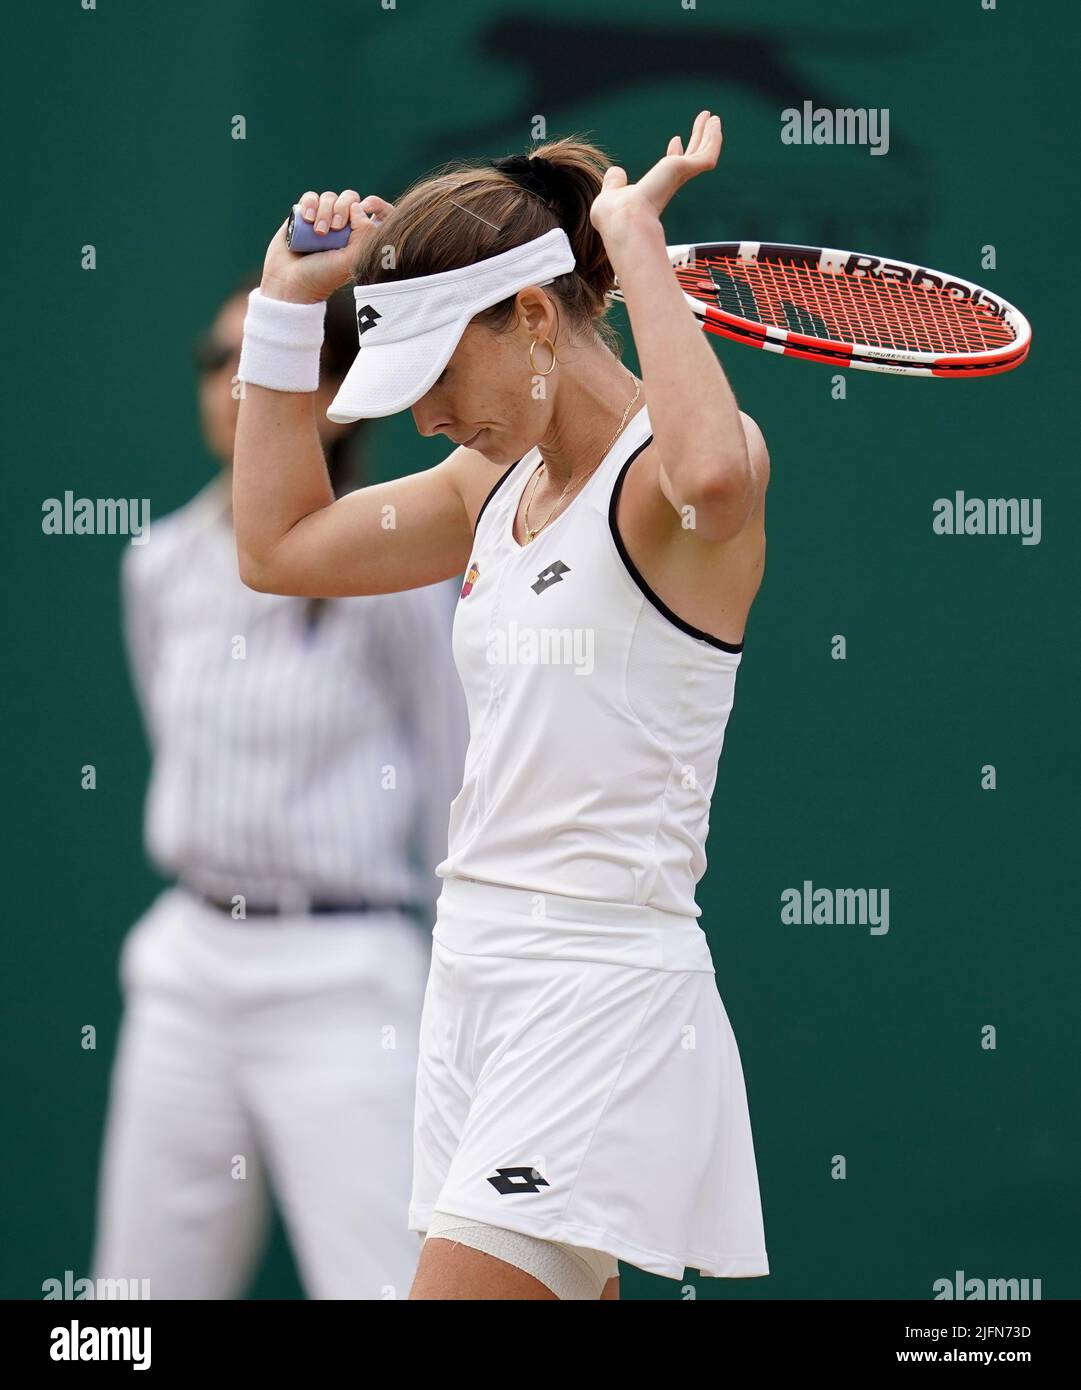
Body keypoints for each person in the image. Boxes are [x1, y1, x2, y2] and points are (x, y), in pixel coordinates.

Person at [232, 109, 770, 1301]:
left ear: (533, 316)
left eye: (434, 377)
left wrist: (632, 241)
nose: (421, 419)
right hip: (472, 983)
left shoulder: (662, 487)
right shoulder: (491, 482)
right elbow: (274, 547)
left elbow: (716, 475)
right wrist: (282, 306)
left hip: (597, 994)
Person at [90, 276, 468, 1300]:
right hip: (186, 971)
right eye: (219, 361)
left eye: (263, 358)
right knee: (133, 1304)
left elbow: (451, 777)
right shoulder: (157, 564)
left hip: (348, 979)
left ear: (336, 390)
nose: (235, 383)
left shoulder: (400, 569)